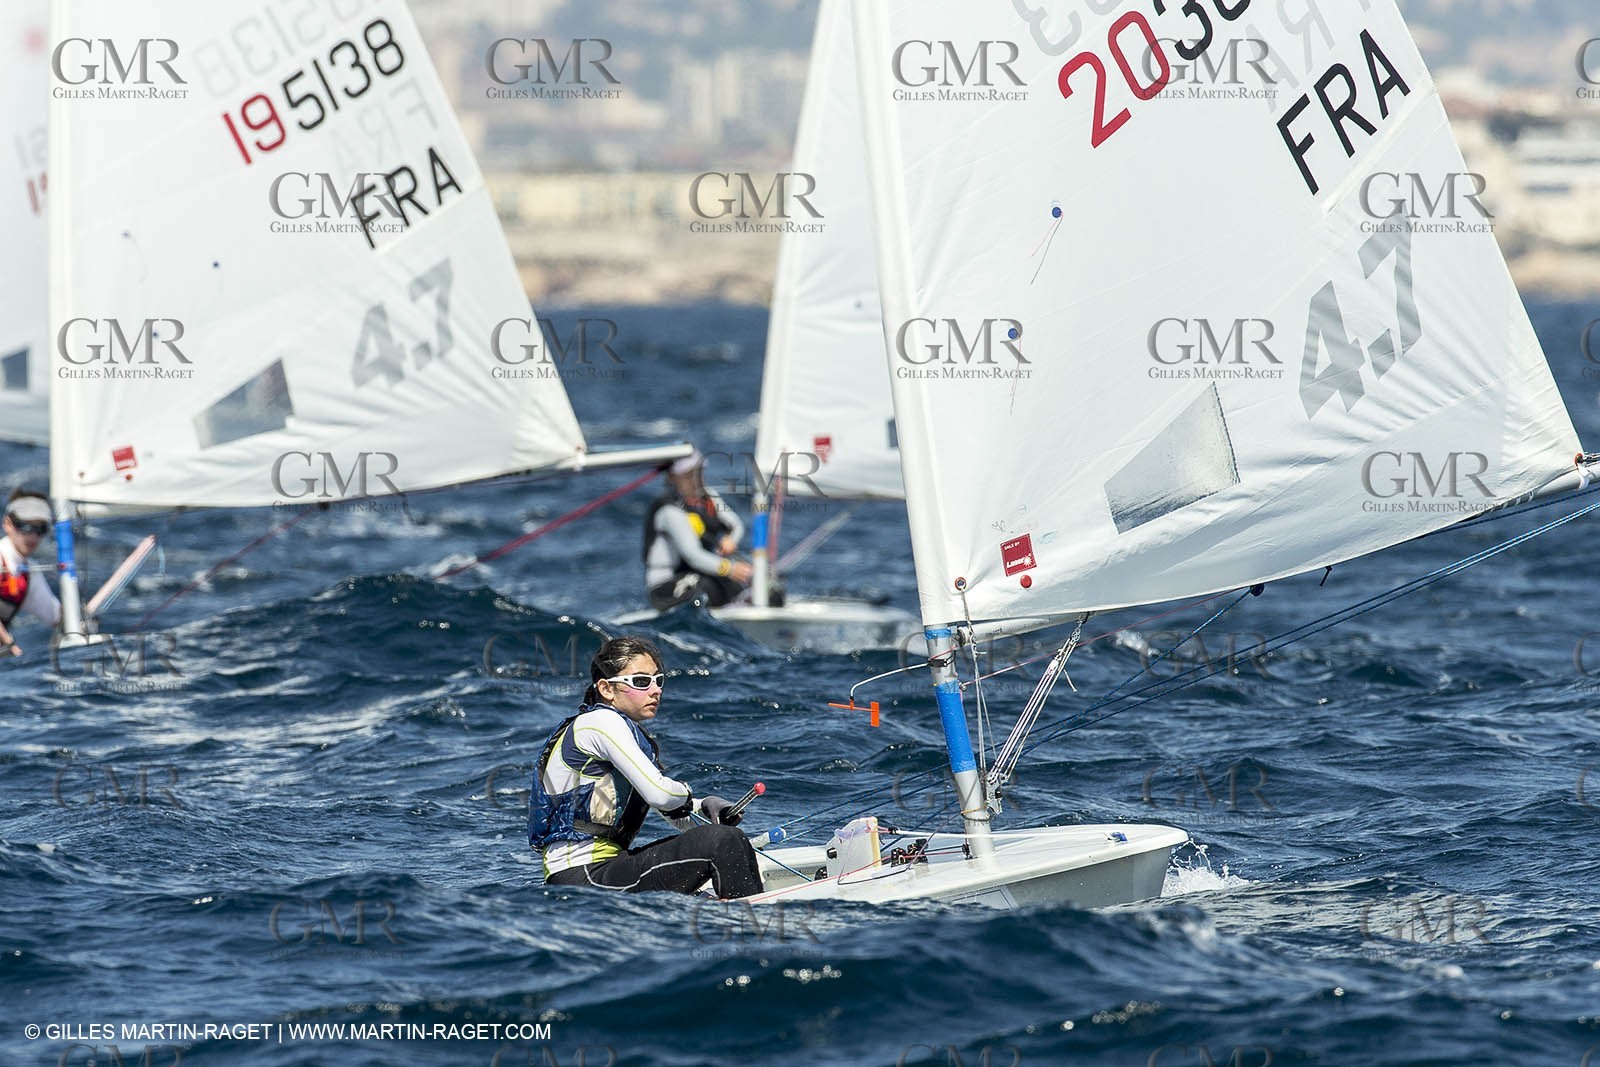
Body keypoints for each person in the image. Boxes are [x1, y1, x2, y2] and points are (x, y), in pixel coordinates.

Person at [528, 636, 764, 897]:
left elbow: (671, 813)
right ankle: (748, 926)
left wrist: (705, 807)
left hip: (603, 870)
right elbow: (661, 794)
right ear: (606, 689)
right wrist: (687, 794)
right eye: (641, 681)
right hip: (583, 877)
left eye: (658, 680)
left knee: (726, 835)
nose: (656, 690)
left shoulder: (622, 731)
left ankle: (745, 910)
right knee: (722, 841)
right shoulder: (600, 722)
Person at [643, 448, 753, 610]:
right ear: (672, 478)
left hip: (702, 572)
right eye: (688, 476)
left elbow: (736, 525)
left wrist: (731, 539)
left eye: (698, 473)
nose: (696, 481)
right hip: (666, 586)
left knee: (737, 587)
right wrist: (728, 568)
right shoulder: (669, 511)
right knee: (707, 589)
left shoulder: (709, 497)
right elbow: (693, 555)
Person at [0, 489, 60, 657]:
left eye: (40, 529)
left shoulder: (29, 573)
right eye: (25, 526)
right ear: (7, 524)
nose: (32, 536)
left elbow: (55, 617)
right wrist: (8, 642)